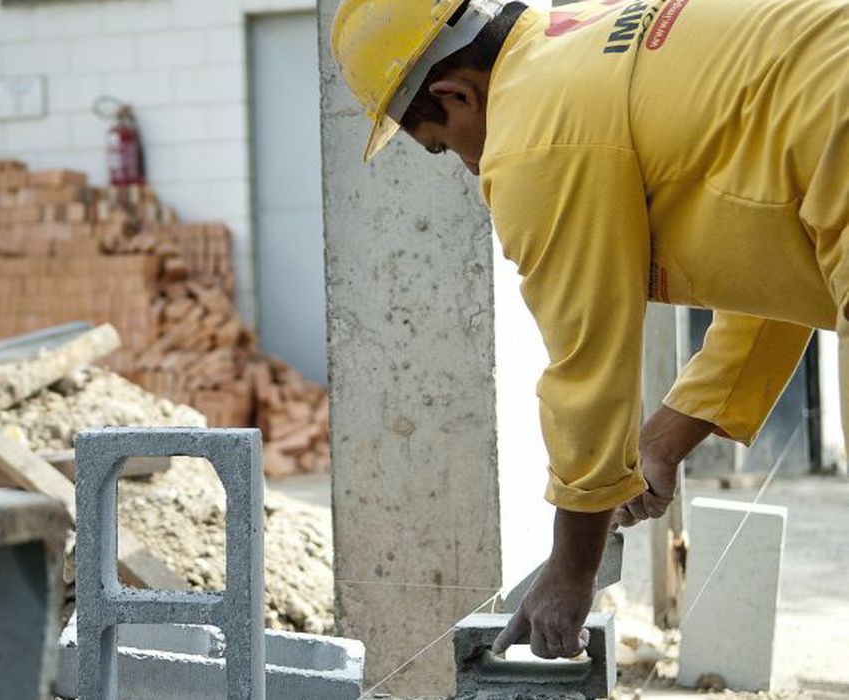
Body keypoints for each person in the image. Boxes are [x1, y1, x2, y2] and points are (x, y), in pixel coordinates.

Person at [330, 0, 849, 660]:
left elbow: (588, 367)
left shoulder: (533, 136)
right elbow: (770, 264)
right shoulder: (580, 38)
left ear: (455, 92)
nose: (466, 168)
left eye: (441, 147)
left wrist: (571, 569)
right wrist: (662, 442)